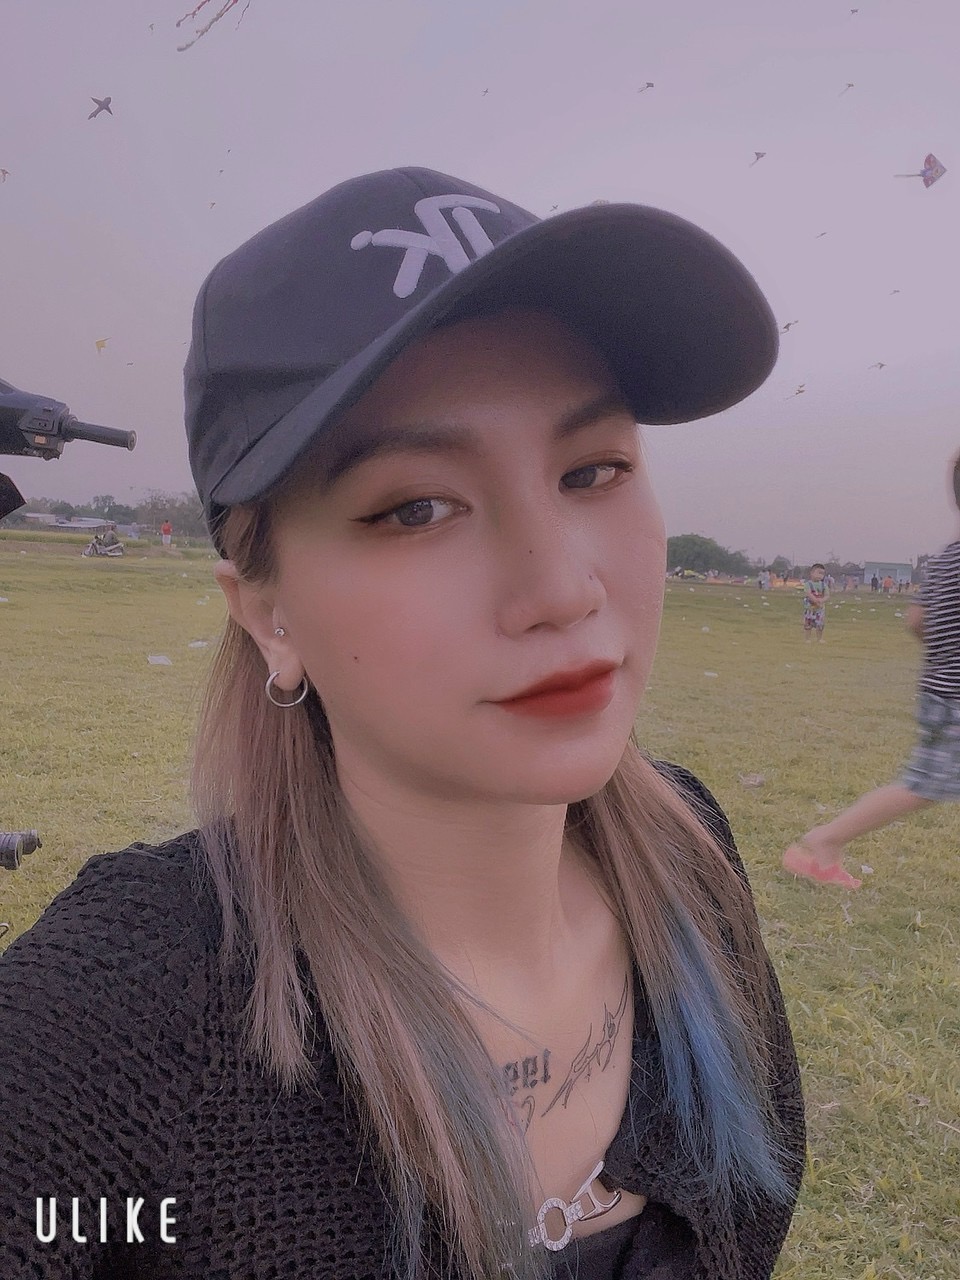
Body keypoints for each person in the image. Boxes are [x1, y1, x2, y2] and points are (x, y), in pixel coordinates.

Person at [0, 167, 805, 1280]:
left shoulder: (693, 863)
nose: (561, 588)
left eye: (593, 470)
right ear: (268, 612)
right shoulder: (123, 1012)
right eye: (417, 507)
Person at [783, 450, 960, 890]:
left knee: (924, 780)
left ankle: (826, 843)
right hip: (955, 697)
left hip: (938, 691)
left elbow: (916, 621)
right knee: (922, 783)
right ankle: (826, 840)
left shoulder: (945, 558)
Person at [802, 563, 829, 643]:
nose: (820, 575)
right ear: (812, 573)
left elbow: (827, 595)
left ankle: (819, 638)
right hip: (809, 608)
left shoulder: (824, 585)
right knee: (808, 624)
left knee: (820, 624)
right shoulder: (808, 584)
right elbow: (809, 593)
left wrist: (822, 600)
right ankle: (807, 638)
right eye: (818, 573)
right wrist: (815, 600)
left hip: (820, 609)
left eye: (822, 574)